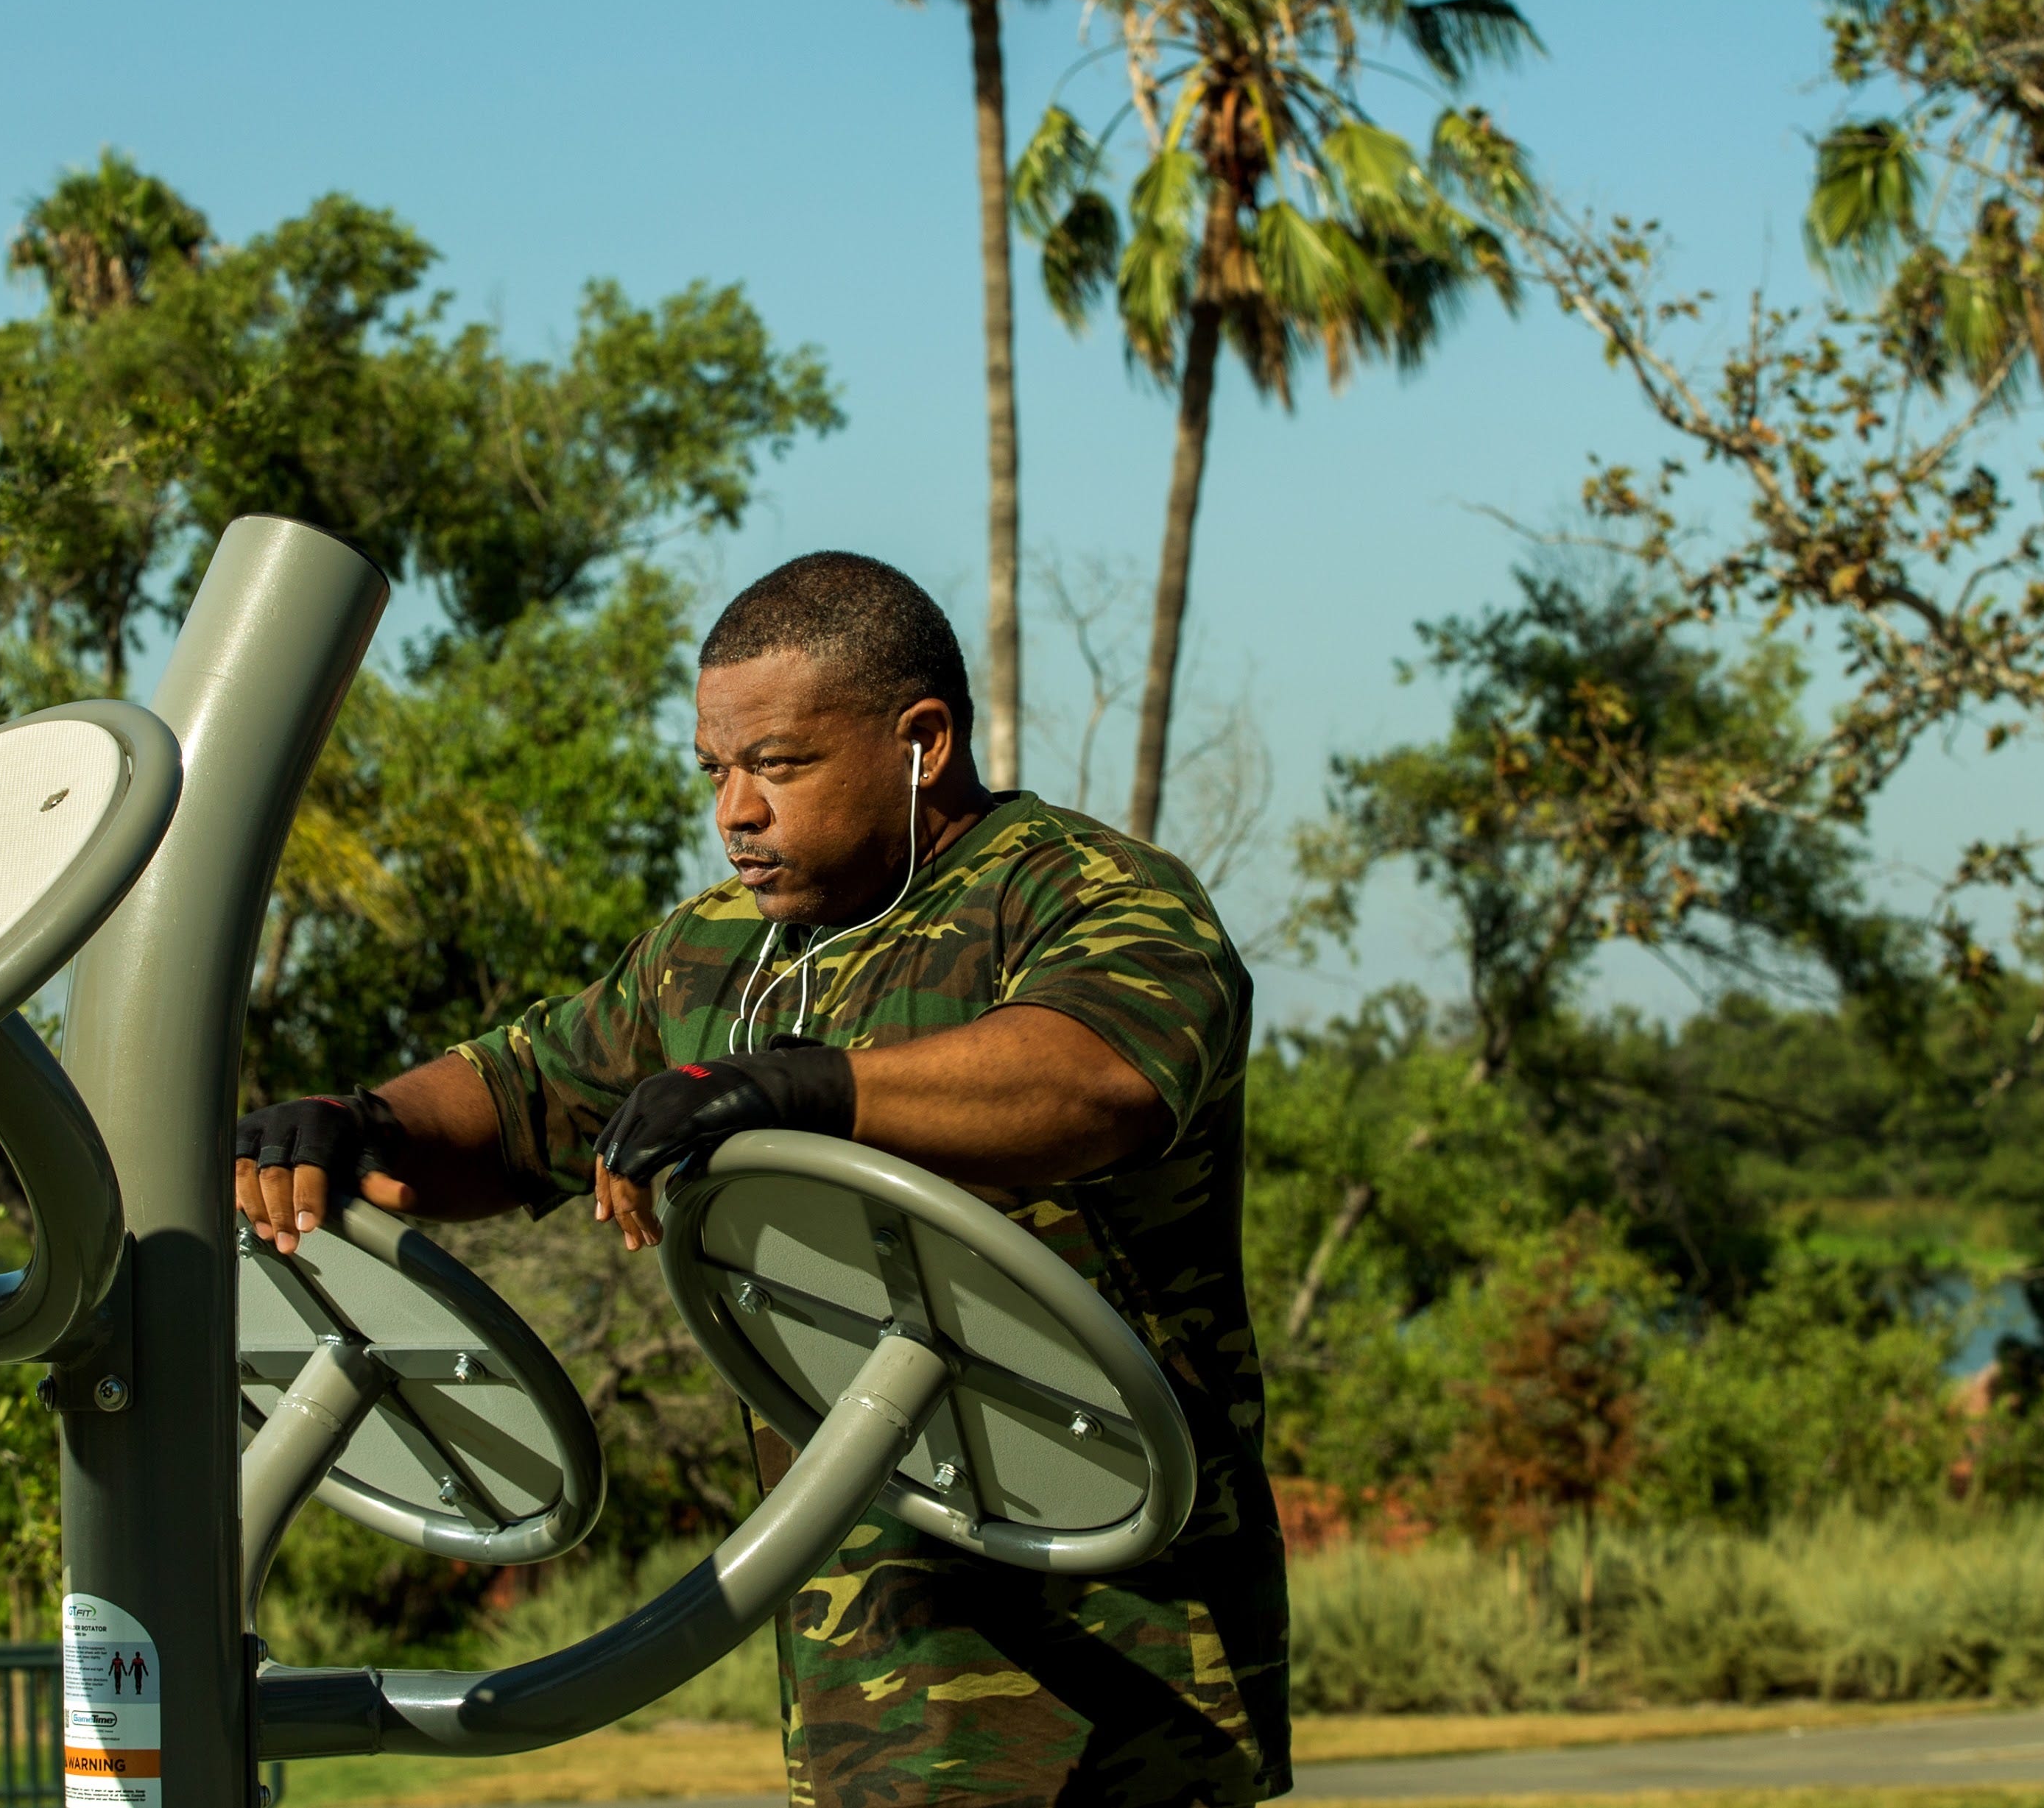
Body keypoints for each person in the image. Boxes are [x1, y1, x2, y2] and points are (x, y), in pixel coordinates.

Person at [235, 551, 1287, 1808]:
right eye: (716, 771)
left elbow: (1098, 1074)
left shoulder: (1079, 895)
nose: (735, 810)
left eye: (778, 765)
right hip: (863, 1691)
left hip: (1125, 1675)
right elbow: (518, 1095)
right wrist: (355, 1123)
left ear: (923, 740)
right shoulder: (710, 955)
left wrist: (802, 1088)